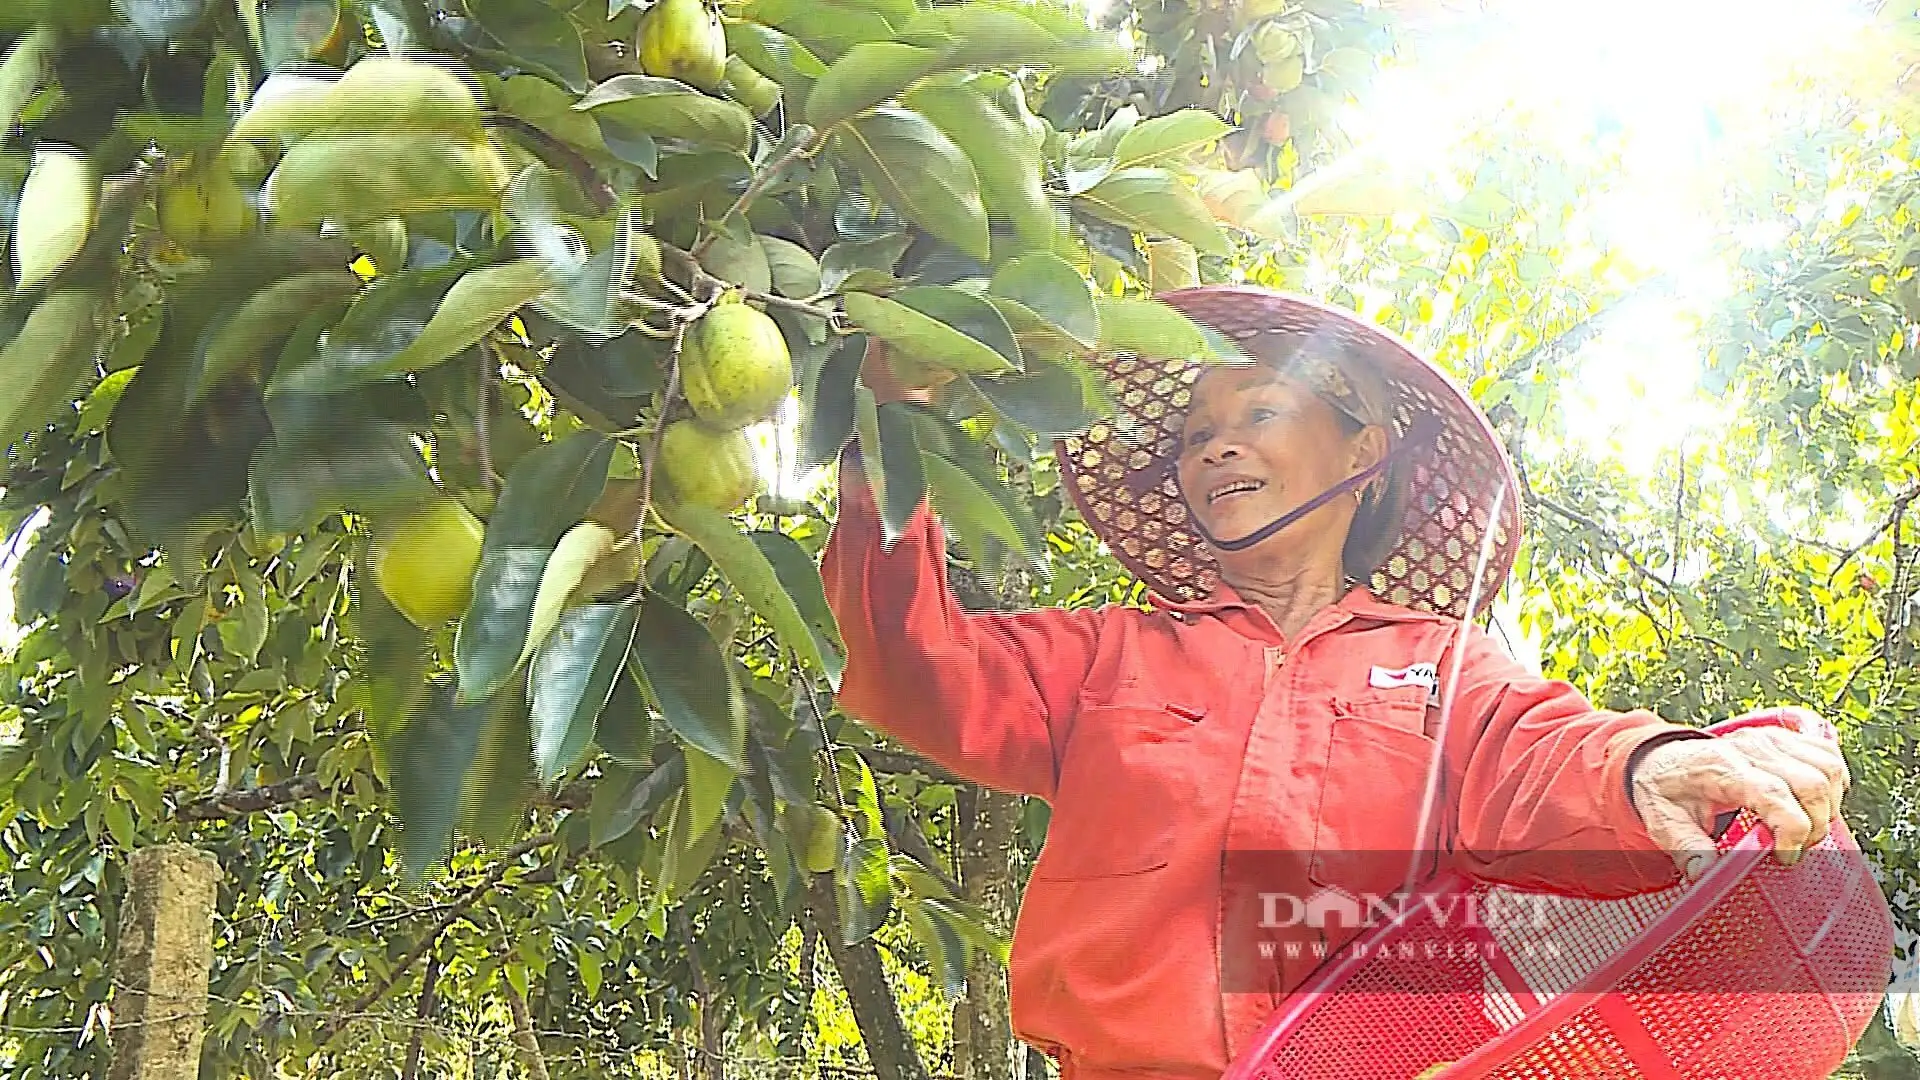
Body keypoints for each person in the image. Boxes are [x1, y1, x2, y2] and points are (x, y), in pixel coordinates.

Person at [819, 286, 1852, 1080]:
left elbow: (1545, 753)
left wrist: (1657, 766)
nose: (1215, 444)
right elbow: (909, 664)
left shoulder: (1447, 667)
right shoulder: (1106, 656)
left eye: (1259, 411)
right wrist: (888, 428)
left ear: (1362, 452)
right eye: (1191, 437)